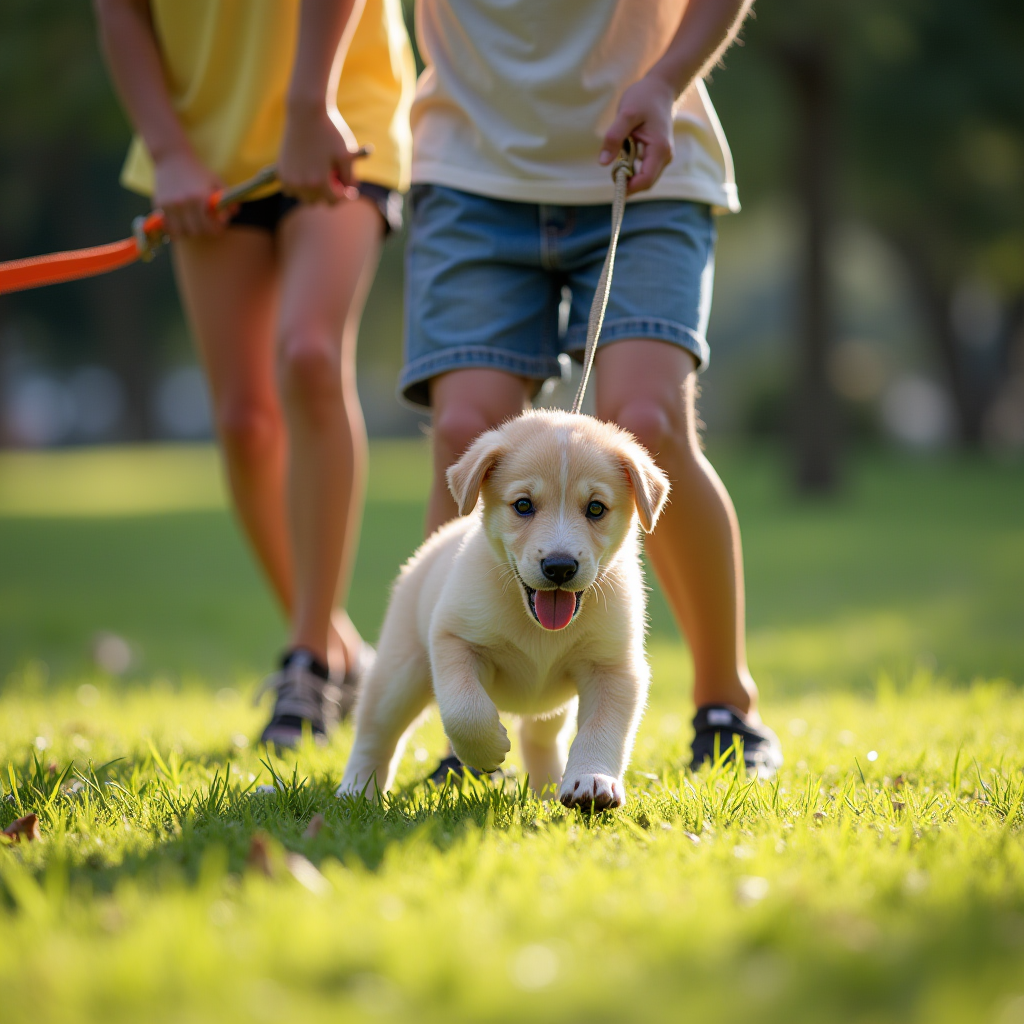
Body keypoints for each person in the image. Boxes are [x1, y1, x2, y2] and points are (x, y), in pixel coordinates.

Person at [289, 0, 782, 775]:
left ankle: (725, 705)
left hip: (643, 155)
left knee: (646, 420)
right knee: (467, 431)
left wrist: (666, 79)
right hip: (470, 168)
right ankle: (467, 708)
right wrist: (306, 97)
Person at [94, 0, 415, 746]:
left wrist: (311, 102)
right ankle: (334, 648)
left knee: (307, 353)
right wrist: (167, 149)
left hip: (341, 107)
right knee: (243, 422)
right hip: (203, 142)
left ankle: (305, 660)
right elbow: (119, 11)